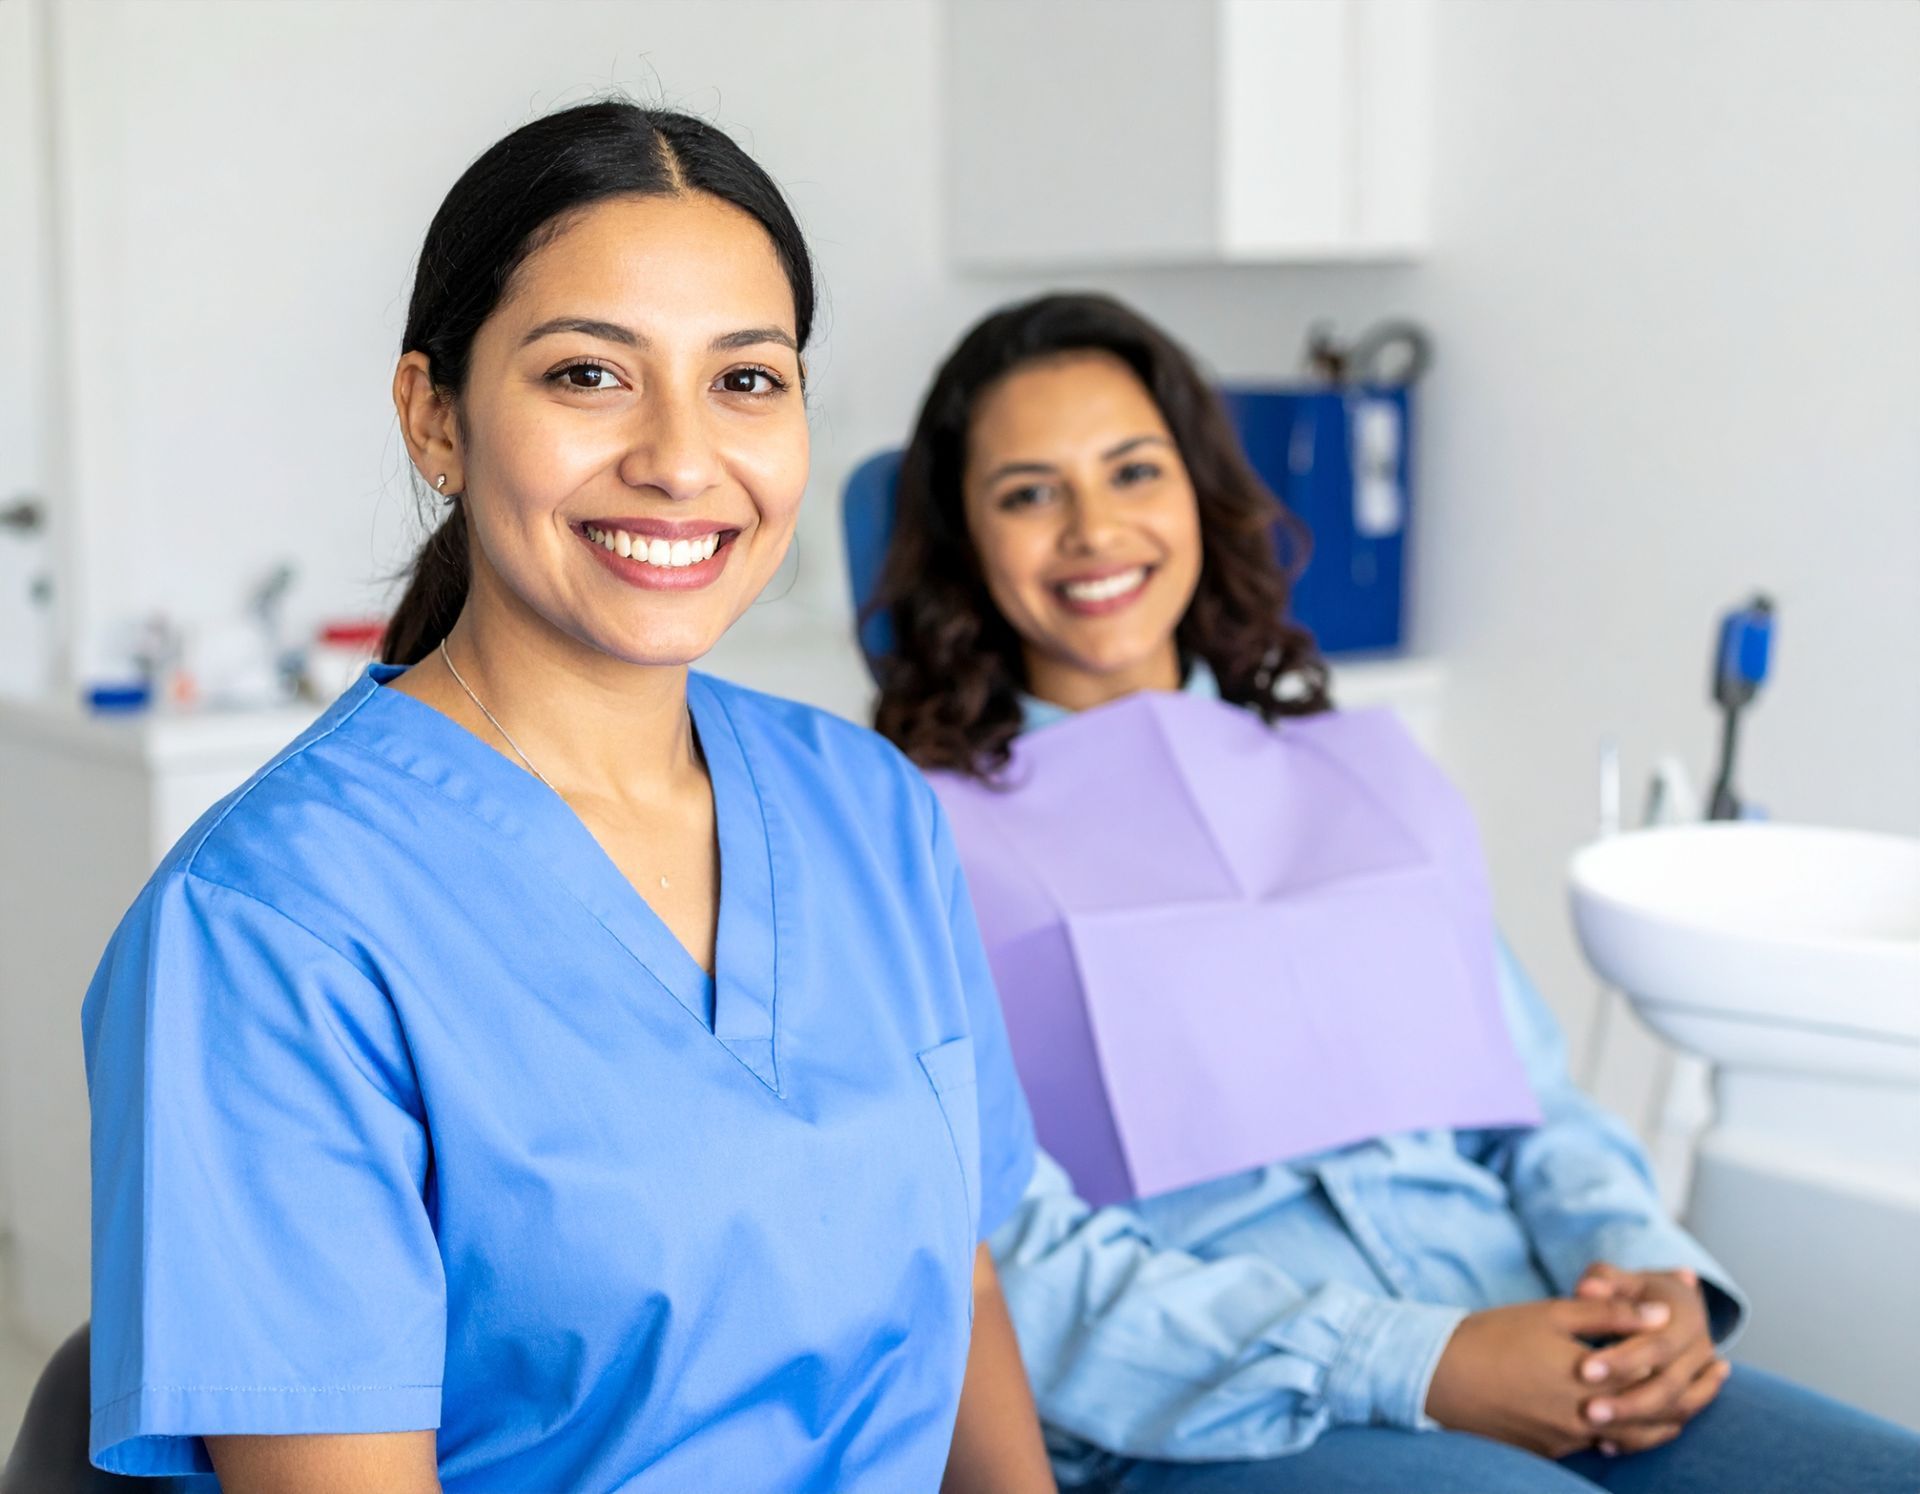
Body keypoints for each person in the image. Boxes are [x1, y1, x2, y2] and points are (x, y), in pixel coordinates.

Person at [81, 102, 1053, 1494]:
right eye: (590, 375)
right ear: (436, 417)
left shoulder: (868, 807)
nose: (679, 454)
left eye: (747, 380)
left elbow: (962, 1284)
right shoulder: (265, 930)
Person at [868, 291, 1920, 1493]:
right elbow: (1015, 1262)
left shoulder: (1357, 769)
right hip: (1239, 1406)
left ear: (1200, 494)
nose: (1094, 529)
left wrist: (1643, 1274)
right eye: (1028, 492)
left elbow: (1532, 1103)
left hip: (1529, 1319)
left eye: (1133, 471)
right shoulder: (911, 837)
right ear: (963, 540)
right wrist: (1418, 1365)